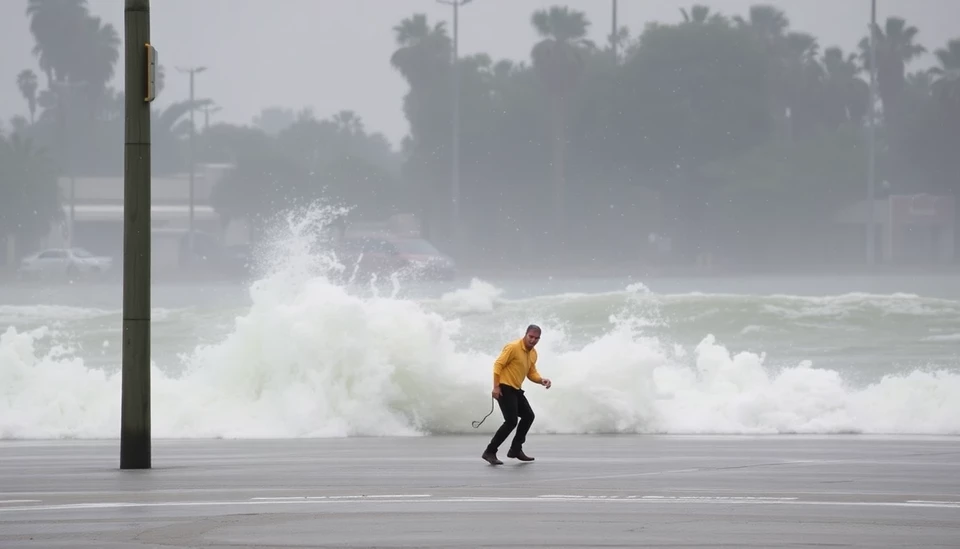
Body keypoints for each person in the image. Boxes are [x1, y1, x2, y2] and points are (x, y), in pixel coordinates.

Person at [481, 324, 552, 465]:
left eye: (536, 338)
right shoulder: (513, 347)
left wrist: (541, 380)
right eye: (531, 337)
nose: (533, 340)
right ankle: (490, 451)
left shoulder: (533, 353)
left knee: (528, 416)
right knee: (511, 421)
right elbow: (497, 365)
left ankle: (515, 449)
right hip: (504, 388)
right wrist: (496, 387)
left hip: (516, 390)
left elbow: (531, 373)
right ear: (525, 335)